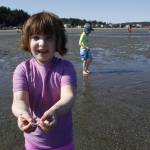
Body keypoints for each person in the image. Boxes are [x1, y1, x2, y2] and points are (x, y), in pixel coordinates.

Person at [12, 12, 77, 150]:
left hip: (62, 141)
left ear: (58, 42)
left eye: (49, 38)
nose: (42, 43)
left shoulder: (66, 67)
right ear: (27, 41)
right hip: (33, 142)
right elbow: (19, 100)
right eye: (36, 37)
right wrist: (22, 114)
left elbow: (69, 96)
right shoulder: (22, 70)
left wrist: (54, 111)